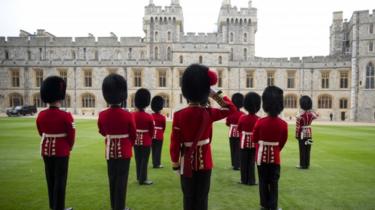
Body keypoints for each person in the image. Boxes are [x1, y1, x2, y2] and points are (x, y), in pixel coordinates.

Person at [170, 64, 236, 210]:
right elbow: (231, 108)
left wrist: (175, 163)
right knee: (202, 198)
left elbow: (175, 143)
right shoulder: (209, 113)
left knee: (188, 198)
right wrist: (214, 93)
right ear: (204, 92)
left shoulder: (179, 116)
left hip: (185, 163)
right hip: (205, 163)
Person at [97, 74, 136, 210]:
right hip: (124, 151)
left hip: (109, 151)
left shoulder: (102, 114)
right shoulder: (127, 115)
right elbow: (133, 134)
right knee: (122, 181)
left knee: (112, 179)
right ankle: (120, 207)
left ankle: (115, 206)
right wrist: (127, 144)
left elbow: (102, 131)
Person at [36, 76, 75, 210]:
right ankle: (60, 207)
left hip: (46, 150)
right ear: (60, 97)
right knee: (60, 181)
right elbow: (71, 136)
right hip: (61, 151)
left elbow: (41, 132)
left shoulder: (41, 115)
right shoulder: (66, 116)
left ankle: (53, 206)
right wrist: (68, 147)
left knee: (50, 180)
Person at [252, 86, 288, 210]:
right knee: (274, 182)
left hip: (261, 157)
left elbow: (254, 139)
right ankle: (273, 206)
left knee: (262, 181)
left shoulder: (260, 122)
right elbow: (282, 142)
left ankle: (264, 204)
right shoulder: (283, 124)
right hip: (275, 158)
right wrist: (275, 150)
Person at [237, 92, 261, 185]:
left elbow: (239, 129)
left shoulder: (242, 118)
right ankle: (251, 180)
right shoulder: (258, 119)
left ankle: (243, 179)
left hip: (244, 142)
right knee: (251, 162)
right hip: (254, 143)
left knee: (243, 162)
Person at [132, 88, 154, 185]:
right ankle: (143, 179)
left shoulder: (132, 115)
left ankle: (138, 177)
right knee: (144, 160)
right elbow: (152, 130)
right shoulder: (149, 116)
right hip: (146, 140)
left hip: (135, 140)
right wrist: (150, 137)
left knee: (138, 159)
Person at [295, 95, 318, 169]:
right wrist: (310, 109)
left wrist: (297, 135)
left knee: (302, 149)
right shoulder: (311, 115)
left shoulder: (300, 115)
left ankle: (302, 164)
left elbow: (298, 126)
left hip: (302, 134)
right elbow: (316, 115)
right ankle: (307, 164)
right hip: (310, 133)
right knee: (308, 149)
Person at [225, 93, 245, 170]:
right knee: (238, 150)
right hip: (239, 134)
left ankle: (234, 164)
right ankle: (238, 164)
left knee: (232, 149)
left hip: (231, 133)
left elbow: (227, 123)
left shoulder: (230, 113)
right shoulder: (243, 114)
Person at [151, 96, 166, 168]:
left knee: (153, 150)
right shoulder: (162, 117)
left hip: (152, 134)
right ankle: (157, 164)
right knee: (158, 150)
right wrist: (161, 133)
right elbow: (163, 127)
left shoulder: (151, 116)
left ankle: (154, 163)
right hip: (159, 135)